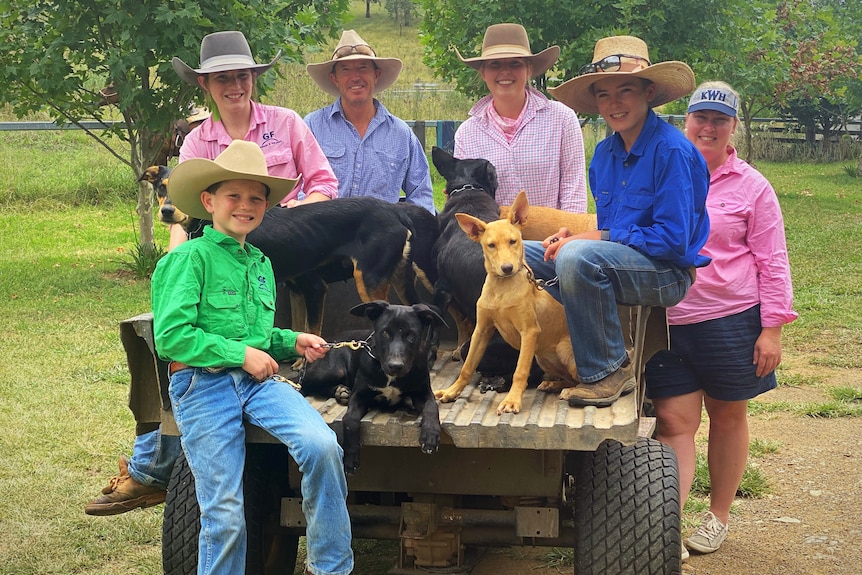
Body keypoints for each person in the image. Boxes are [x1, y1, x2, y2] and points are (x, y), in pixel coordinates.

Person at [85, 30, 339, 516]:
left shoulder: (286, 123)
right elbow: (185, 212)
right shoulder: (198, 139)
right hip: (221, 264)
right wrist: (175, 261)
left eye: (242, 76)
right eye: (223, 78)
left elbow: (324, 185)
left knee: (261, 348)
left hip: (282, 261)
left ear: (253, 79)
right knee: (175, 347)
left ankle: (150, 470)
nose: (234, 86)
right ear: (207, 86)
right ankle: (152, 466)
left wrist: (287, 225)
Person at [153, 139, 353, 575]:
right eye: (234, 196)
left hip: (257, 383)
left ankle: (331, 568)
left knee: (323, 448)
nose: (245, 206)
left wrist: (291, 341)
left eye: (256, 198)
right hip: (202, 384)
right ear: (208, 201)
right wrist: (241, 355)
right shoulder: (188, 259)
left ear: (267, 207)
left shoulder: (260, 262)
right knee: (224, 512)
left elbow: (256, 335)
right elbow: (170, 337)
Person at [644, 81, 797, 559]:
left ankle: (718, 516)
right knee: (673, 422)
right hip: (667, 320)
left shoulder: (753, 187)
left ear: (732, 128)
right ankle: (670, 523)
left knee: (728, 415)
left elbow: (773, 261)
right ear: (686, 122)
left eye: (719, 120)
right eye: (700, 118)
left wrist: (771, 329)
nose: (708, 127)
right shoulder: (660, 173)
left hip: (731, 318)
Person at [522, 35, 710, 409]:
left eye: (625, 90)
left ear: (648, 91)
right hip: (622, 261)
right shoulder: (605, 154)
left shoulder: (673, 152)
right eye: (604, 95)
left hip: (667, 271)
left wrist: (590, 241)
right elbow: (611, 231)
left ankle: (609, 369)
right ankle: (543, 358)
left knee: (577, 258)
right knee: (518, 253)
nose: (614, 103)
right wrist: (574, 235)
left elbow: (674, 242)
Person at [453, 23, 587, 212]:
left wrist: (568, 237)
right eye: (495, 64)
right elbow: (467, 201)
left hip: (552, 238)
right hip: (494, 240)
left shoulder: (562, 119)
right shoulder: (467, 134)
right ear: (483, 72)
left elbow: (574, 192)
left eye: (515, 63)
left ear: (529, 69)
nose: (505, 71)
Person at [305, 30, 435, 213]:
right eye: (345, 69)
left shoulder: (401, 134)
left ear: (377, 75)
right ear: (334, 79)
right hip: (324, 238)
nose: (355, 77)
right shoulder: (312, 127)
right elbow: (298, 191)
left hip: (383, 239)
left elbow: (421, 196)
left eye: (363, 67)